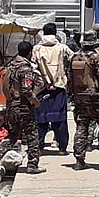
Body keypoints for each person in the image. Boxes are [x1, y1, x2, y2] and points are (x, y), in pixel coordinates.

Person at [0, 41, 47, 174]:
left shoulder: (11, 67)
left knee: (13, 134)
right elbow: (26, 88)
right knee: (32, 135)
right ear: (29, 52)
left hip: (11, 106)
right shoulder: (25, 68)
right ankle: (32, 164)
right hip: (23, 107)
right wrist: (34, 100)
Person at [68, 30, 99, 170]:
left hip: (80, 97)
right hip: (96, 98)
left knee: (81, 127)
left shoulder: (75, 57)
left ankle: (79, 159)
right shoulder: (98, 57)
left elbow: (69, 78)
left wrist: (72, 96)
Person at [32, 23, 73, 155]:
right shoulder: (62, 48)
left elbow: (32, 67)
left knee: (40, 119)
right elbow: (74, 58)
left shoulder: (36, 49)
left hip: (41, 89)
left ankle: (39, 146)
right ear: (55, 33)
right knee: (59, 119)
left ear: (43, 33)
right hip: (59, 88)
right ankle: (62, 148)